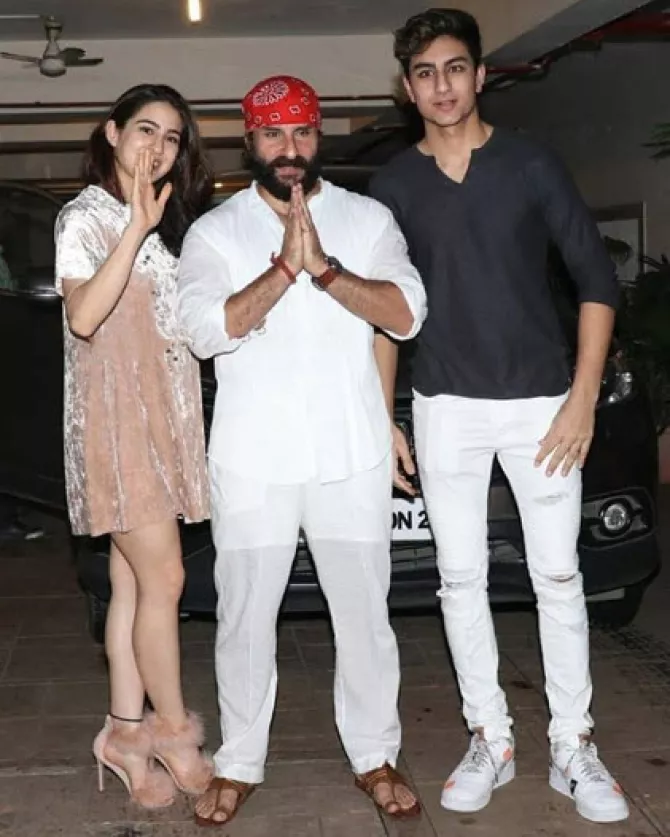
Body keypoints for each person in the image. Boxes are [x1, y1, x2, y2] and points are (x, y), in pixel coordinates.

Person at [369, 8, 629, 825]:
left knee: (558, 576)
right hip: (444, 405)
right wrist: (384, 415)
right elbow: (383, 312)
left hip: (543, 405)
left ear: (480, 75)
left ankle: (573, 744)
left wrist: (582, 397)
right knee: (459, 579)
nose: (442, 85)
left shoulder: (530, 163)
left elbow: (596, 281)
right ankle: (492, 736)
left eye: (455, 68)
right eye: (425, 73)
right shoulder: (392, 186)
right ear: (407, 88)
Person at [178, 75, 427, 827]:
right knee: (244, 619)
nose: (289, 148)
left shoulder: (367, 219)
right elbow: (205, 331)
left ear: (319, 135)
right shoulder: (215, 232)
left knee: (365, 616)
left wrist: (326, 270)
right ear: (249, 141)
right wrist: (285, 268)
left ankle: (375, 754)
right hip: (253, 459)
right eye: (273, 134)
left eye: (302, 132)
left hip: (350, 452)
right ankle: (239, 762)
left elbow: (406, 314)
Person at [54, 83, 214, 808]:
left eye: (172, 137)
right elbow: (85, 315)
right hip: (117, 426)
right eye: (145, 129)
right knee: (167, 580)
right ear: (112, 132)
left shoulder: (162, 221)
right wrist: (134, 230)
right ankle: (174, 731)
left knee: (130, 585)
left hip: (163, 421)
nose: (158, 146)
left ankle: (123, 732)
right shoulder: (85, 216)